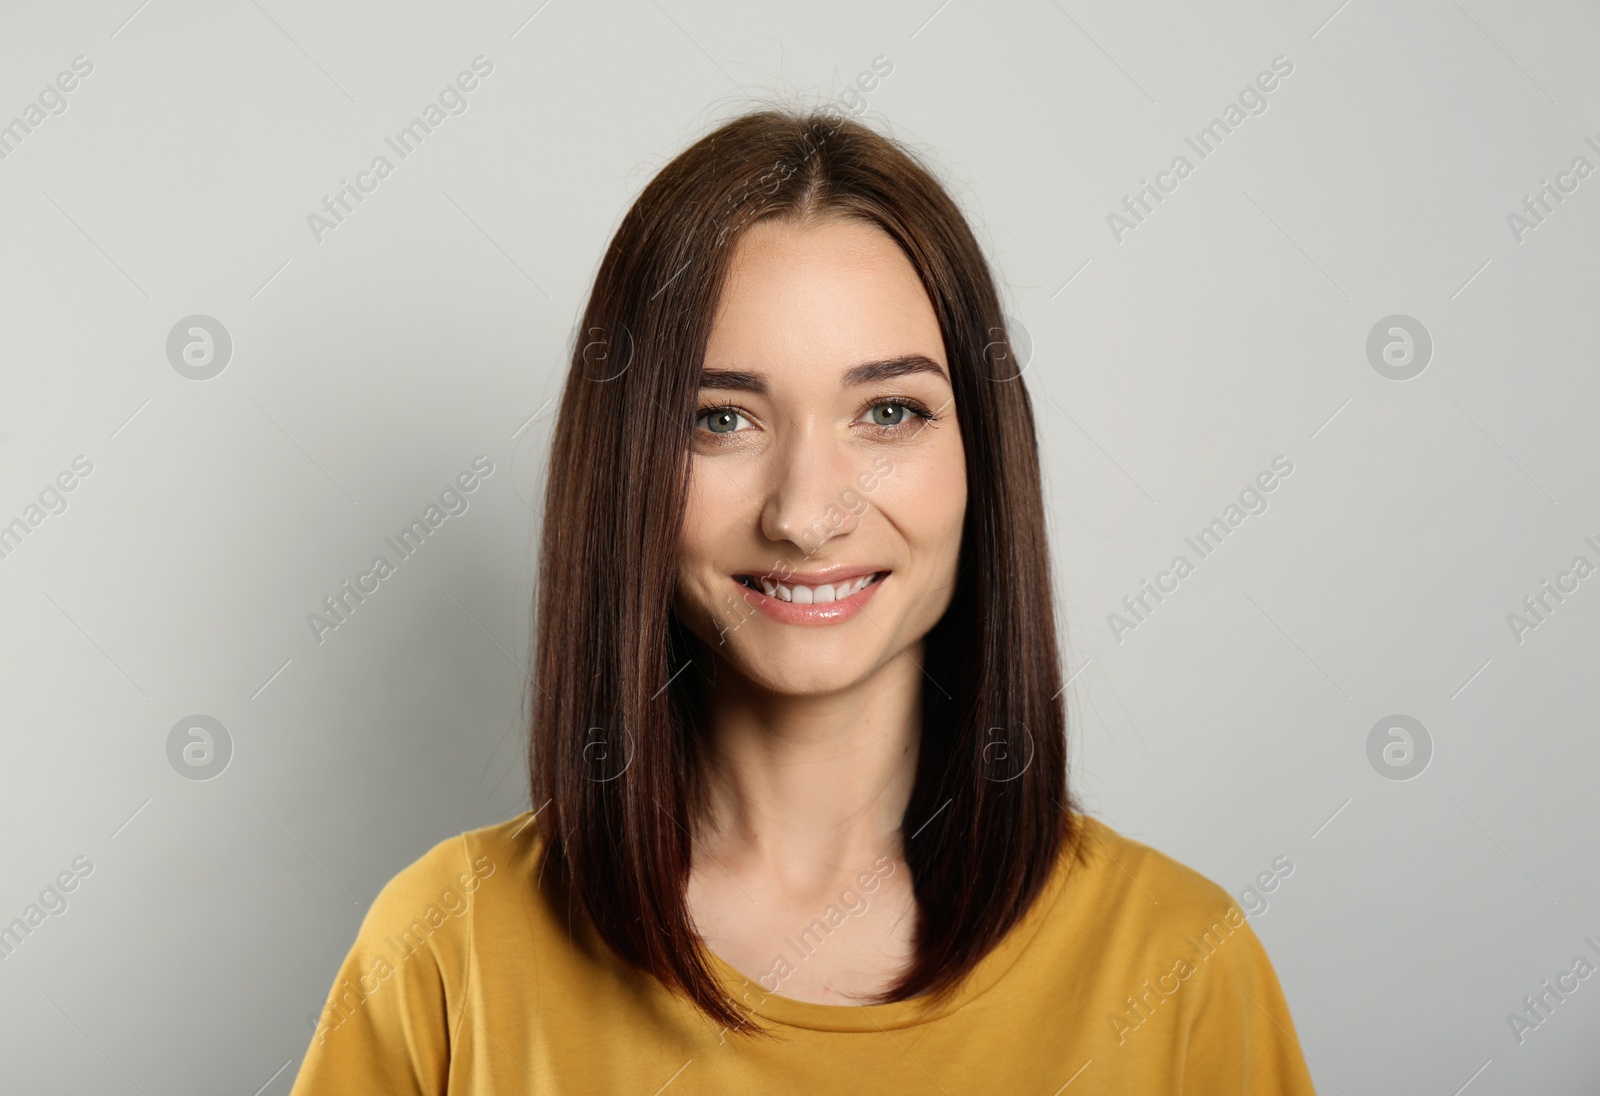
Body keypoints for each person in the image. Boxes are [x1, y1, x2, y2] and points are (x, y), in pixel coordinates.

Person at [290, 105, 1318, 1094]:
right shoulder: (441, 953)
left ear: (981, 461)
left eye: (887, 411)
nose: (806, 512)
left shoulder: (1181, 970)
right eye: (721, 418)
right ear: (625, 465)